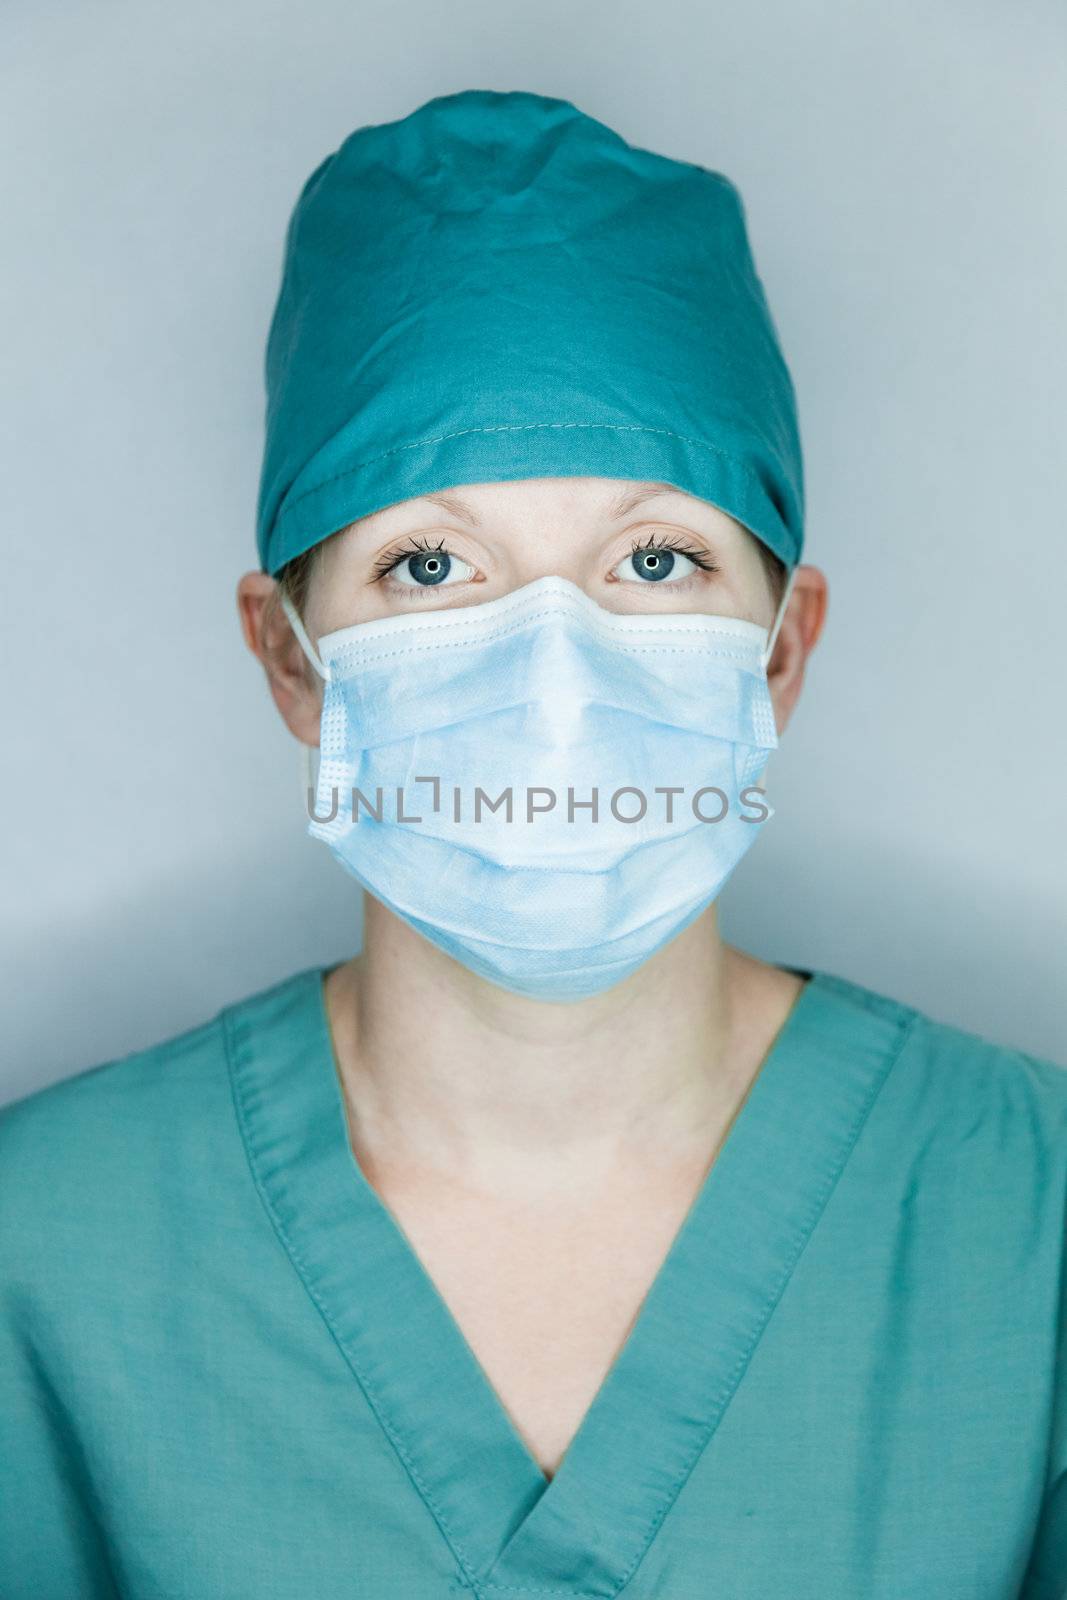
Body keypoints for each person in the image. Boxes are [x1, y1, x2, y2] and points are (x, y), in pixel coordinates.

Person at [1, 87, 1065, 1600]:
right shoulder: (43, 1255)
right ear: (293, 661)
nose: (556, 682)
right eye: (431, 563)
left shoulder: (1032, 1226)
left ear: (782, 650)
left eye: (656, 557)